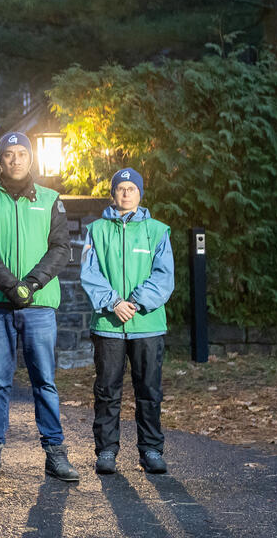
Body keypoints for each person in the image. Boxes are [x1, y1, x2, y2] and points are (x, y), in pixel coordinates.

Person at [0, 131, 79, 481]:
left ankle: (55, 452)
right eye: (9, 154)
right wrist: (11, 286)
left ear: (30, 159)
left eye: (21, 154)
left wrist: (29, 285)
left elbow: (61, 248)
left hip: (39, 304)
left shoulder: (50, 199)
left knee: (44, 380)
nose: (15, 160)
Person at [80, 168, 174, 475]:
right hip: (108, 325)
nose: (126, 192)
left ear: (140, 193)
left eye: (131, 188)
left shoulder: (157, 231)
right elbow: (89, 272)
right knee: (107, 391)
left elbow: (164, 276)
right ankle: (106, 450)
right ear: (113, 194)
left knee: (149, 390)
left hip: (147, 323)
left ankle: (151, 450)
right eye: (120, 188)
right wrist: (114, 303)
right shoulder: (96, 230)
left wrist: (135, 302)